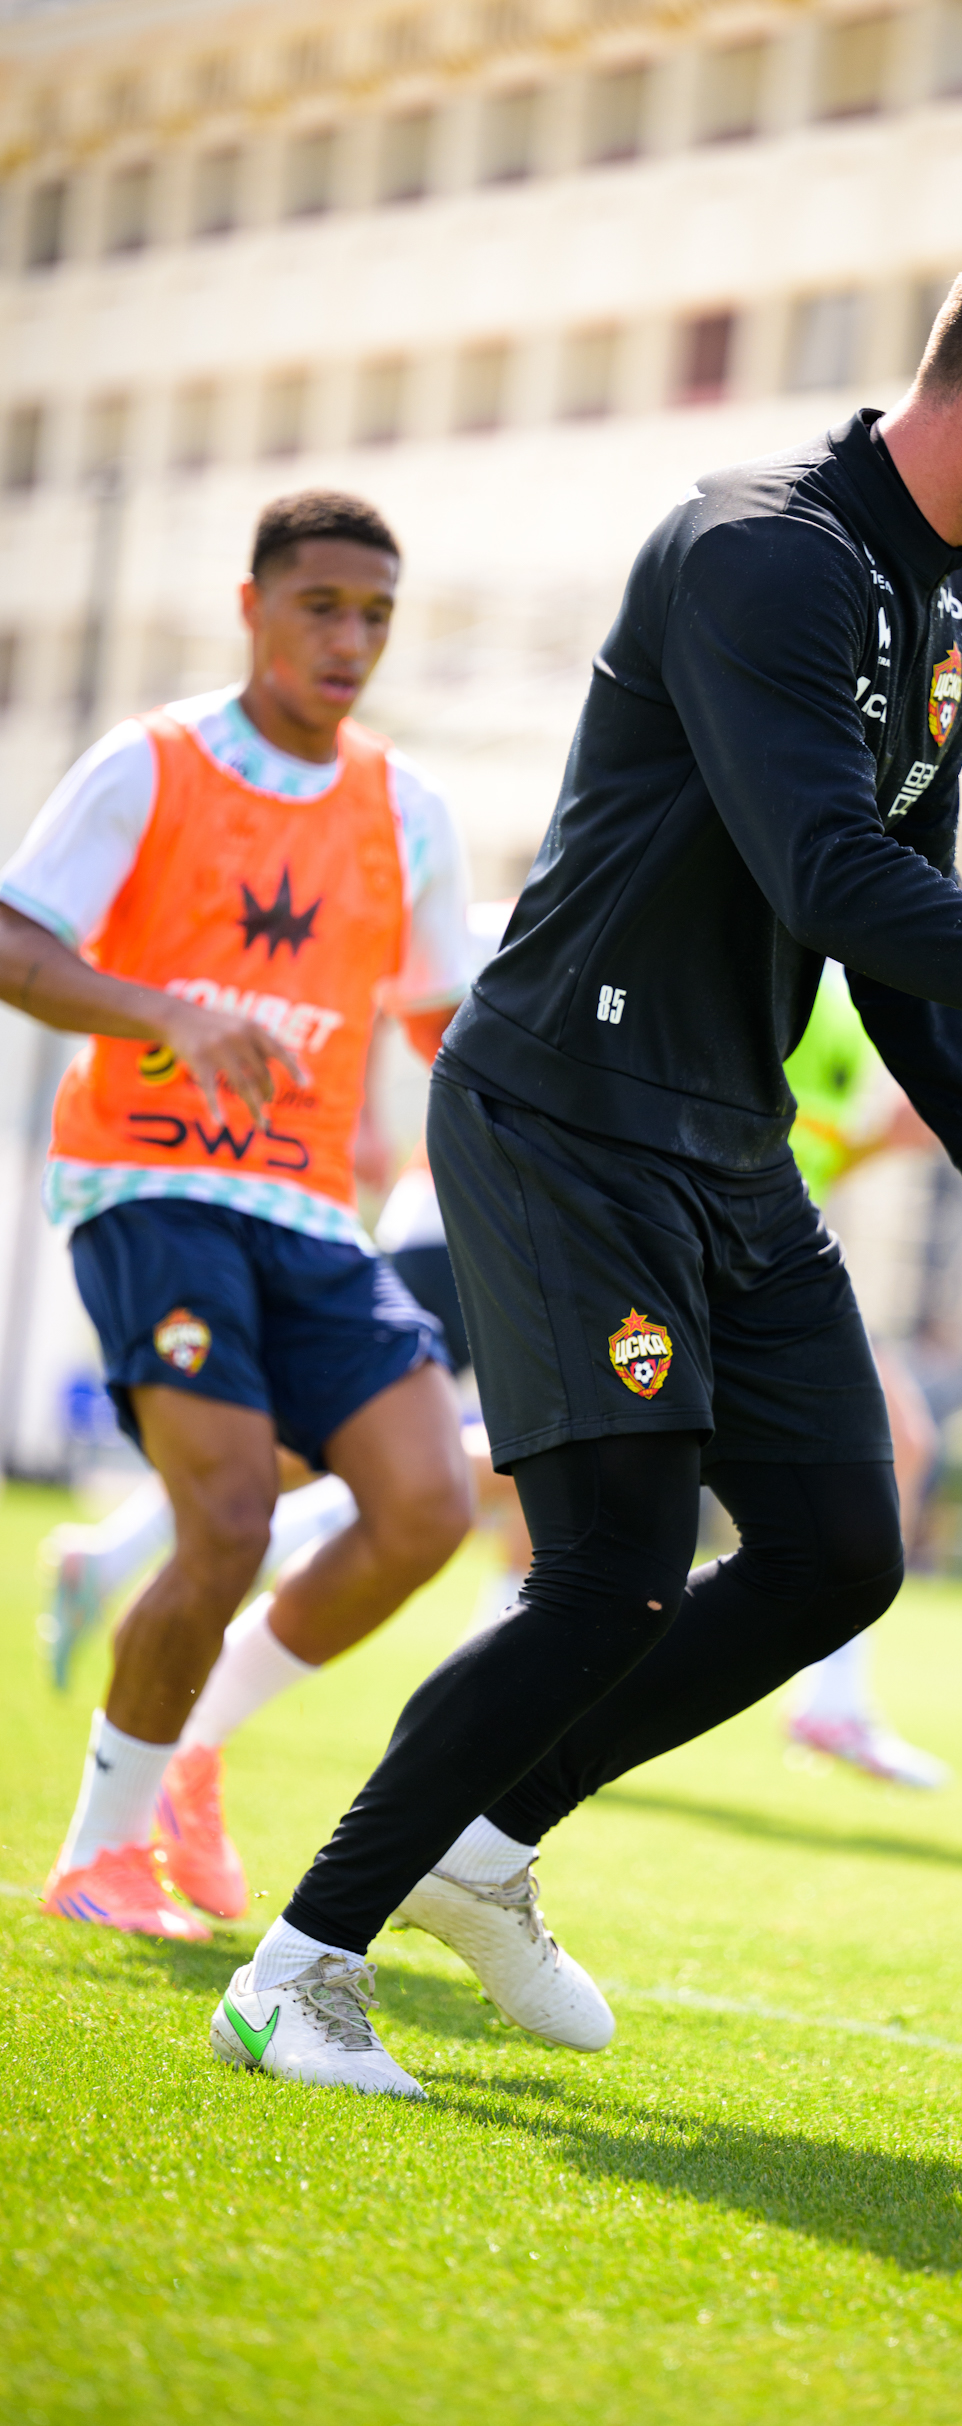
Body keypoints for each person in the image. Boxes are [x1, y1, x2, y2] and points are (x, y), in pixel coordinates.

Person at [217, 220, 962, 2099]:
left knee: (837, 1552)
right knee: (611, 1572)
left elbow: (899, 928)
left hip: (725, 1142)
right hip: (562, 1118)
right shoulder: (757, 550)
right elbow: (829, 879)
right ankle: (298, 1969)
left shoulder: (953, 614)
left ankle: (481, 1852)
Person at [0, 489, 482, 1944]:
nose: (350, 640)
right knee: (226, 1517)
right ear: (252, 606)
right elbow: (15, 939)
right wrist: (164, 1011)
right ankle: (99, 1853)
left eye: (375, 615)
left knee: (427, 1503)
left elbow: (445, 1027)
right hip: (148, 1184)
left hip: (311, 1213)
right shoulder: (149, 761)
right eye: (321, 607)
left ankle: (193, 1751)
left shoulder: (408, 808)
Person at [779, 960, 950, 1789]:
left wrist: (882, 1140)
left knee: (898, 1442)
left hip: (765, 1261)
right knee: (573, 1463)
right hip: (710, 1256)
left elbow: (803, 1153)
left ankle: (833, 1700)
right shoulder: (770, 959)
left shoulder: (851, 1002)